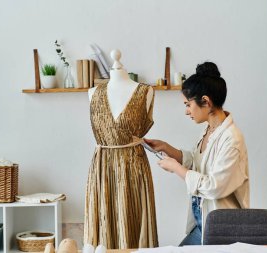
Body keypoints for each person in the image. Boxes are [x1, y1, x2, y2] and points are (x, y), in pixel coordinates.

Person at [144, 62, 250, 246]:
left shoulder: (232, 140)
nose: (186, 111)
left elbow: (214, 187)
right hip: (203, 222)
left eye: (188, 104)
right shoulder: (209, 130)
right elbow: (197, 162)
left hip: (222, 230)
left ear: (206, 102)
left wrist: (176, 168)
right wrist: (167, 148)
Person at [84, 49, 158, 249]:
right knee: (104, 228)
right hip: (102, 168)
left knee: (134, 222)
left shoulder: (145, 91)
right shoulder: (93, 93)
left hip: (134, 166)